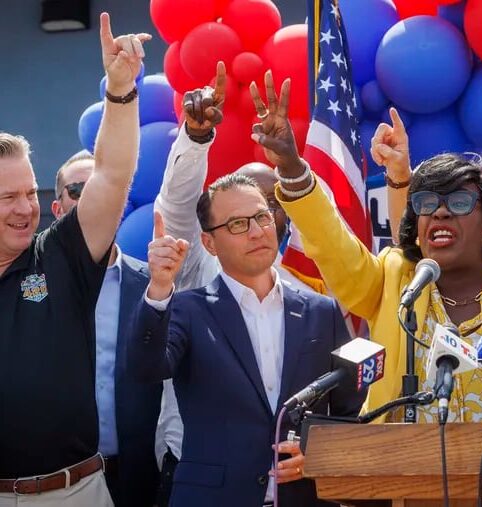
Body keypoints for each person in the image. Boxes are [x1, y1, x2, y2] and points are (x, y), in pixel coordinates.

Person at [248, 71, 482, 423]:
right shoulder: (392, 281)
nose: (439, 211)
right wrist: (291, 167)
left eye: (458, 202)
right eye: (426, 202)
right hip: (399, 473)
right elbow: (331, 243)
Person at [127, 173, 365, 507]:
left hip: (304, 497)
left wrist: (319, 452)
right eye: (238, 224)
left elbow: (350, 409)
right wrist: (159, 289)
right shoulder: (185, 308)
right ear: (209, 243)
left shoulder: (321, 311)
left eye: (262, 217)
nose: (256, 232)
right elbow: (145, 369)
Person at [0, 13, 149, 506]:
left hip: (76, 492)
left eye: (30, 192)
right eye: (7, 198)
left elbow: (110, 174)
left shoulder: (59, 256)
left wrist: (121, 91)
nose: (27, 208)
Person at [152, 63, 313, 507]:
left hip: (299, 485)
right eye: (237, 218)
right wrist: (197, 136)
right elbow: (179, 207)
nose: (261, 223)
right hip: (206, 482)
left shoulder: (311, 289)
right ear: (213, 235)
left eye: (268, 207)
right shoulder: (199, 268)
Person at [51, 150, 161, 507]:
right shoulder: (30, 285)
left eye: (104, 189)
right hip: (58, 480)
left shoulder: (154, 285)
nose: (93, 199)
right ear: (57, 209)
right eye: (79, 189)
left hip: (141, 477)